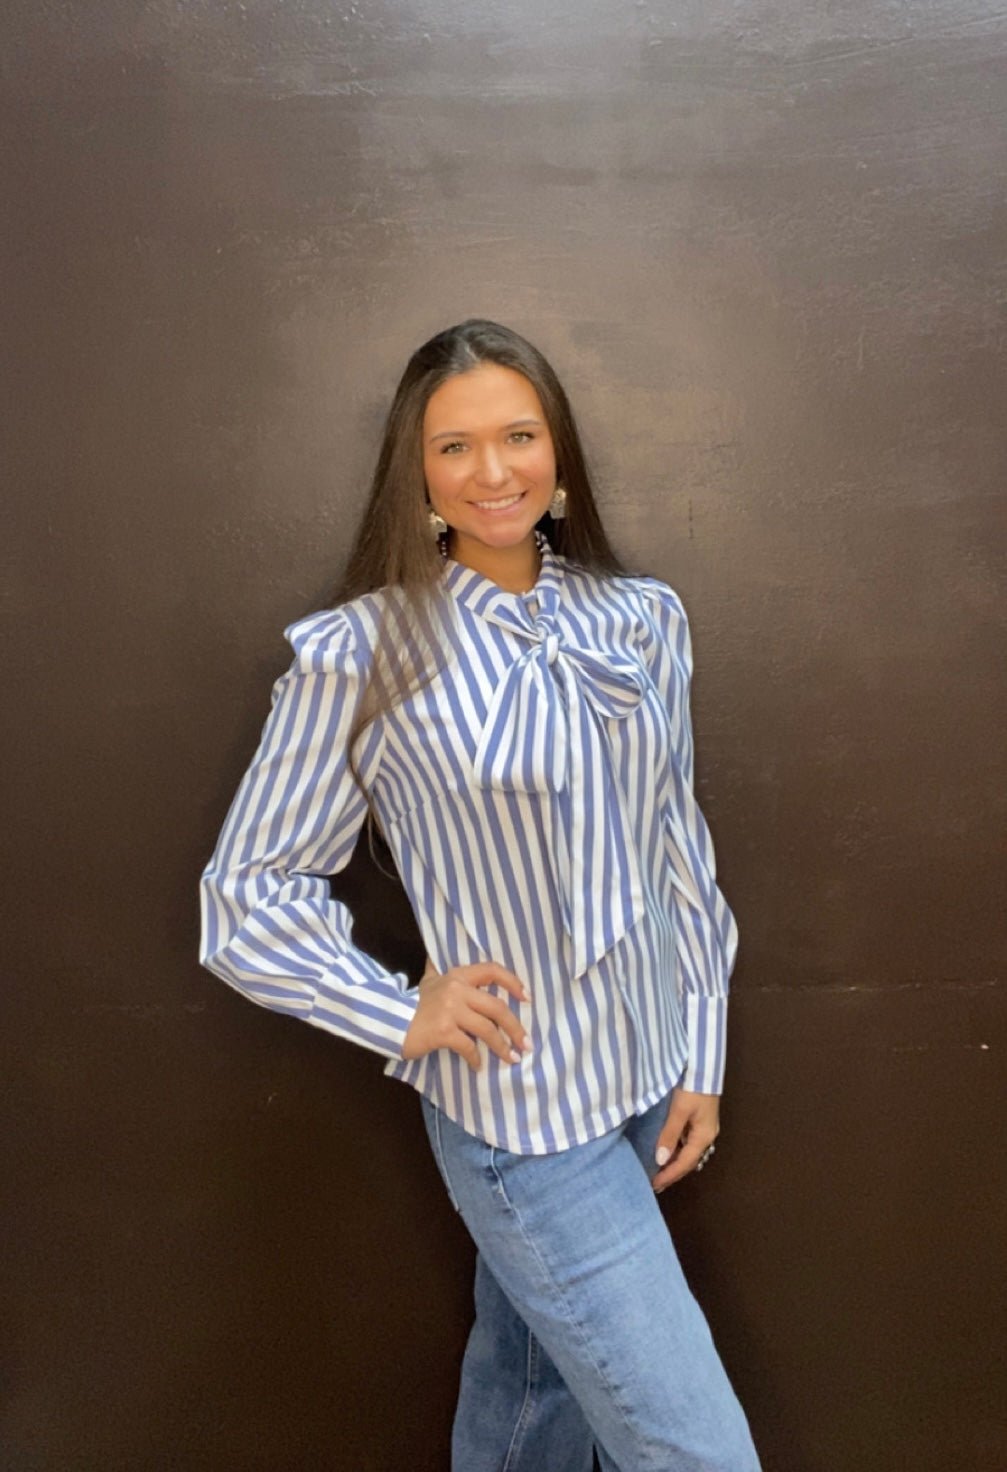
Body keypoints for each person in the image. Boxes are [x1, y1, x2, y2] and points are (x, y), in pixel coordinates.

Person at [199, 319, 761, 1471]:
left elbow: (674, 846)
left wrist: (699, 1049)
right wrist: (397, 1009)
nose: (492, 470)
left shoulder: (639, 619)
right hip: (522, 1112)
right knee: (696, 1450)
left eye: (518, 435)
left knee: (529, 1406)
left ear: (558, 452)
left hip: (640, 1072)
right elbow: (245, 894)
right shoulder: (360, 653)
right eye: (453, 446)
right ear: (415, 473)